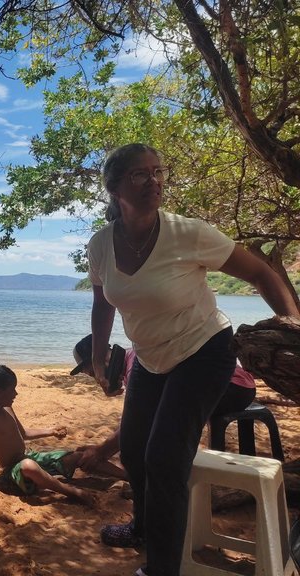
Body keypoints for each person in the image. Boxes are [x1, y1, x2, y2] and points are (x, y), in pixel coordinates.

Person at [86, 143, 299, 576]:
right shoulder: (101, 244)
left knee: (165, 457)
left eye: (158, 171)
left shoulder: (189, 233)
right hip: (150, 359)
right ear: (114, 187)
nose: (154, 181)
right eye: (140, 175)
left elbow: (262, 273)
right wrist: (97, 354)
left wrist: (292, 326)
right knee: (132, 449)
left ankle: (162, 568)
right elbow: (102, 301)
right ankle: (145, 528)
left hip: (205, 351)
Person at [69, 333, 257, 479]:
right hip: (231, 386)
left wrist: (101, 451)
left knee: (160, 420)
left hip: (233, 387)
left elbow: (138, 421)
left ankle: (158, 476)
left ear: (104, 359)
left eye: (95, 373)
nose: (99, 380)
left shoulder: (137, 363)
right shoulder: (132, 362)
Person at [0, 363, 124, 506]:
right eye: (12, 390)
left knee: (78, 456)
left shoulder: (8, 408)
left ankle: (129, 477)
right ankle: (71, 491)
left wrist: (49, 431)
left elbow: (23, 433)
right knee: (29, 467)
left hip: (31, 456)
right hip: (15, 470)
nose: (16, 394)